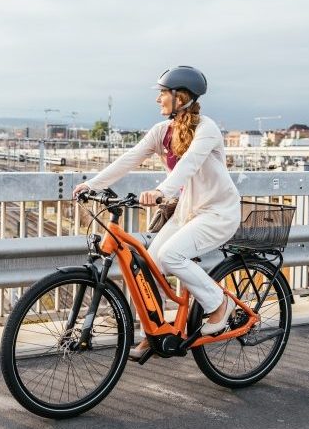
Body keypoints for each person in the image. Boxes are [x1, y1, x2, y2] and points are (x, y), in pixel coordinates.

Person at [73, 66, 241, 361]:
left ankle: (220, 305)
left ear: (181, 97)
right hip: (188, 212)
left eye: (163, 93)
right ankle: (158, 330)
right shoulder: (162, 132)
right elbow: (129, 159)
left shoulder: (207, 129)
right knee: (149, 266)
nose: (158, 99)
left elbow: (189, 164)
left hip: (218, 212)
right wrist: (92, 183)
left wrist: (162, 191)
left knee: (170, 256)